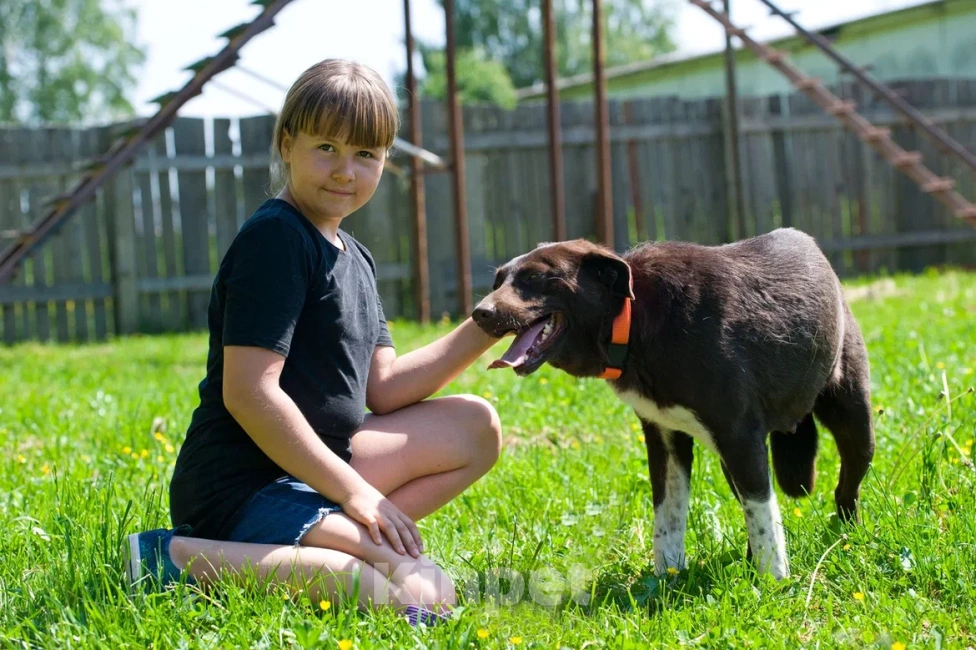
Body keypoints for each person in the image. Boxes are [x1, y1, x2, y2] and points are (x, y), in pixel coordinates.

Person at [124, 59, 502, 626]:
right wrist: (358, 493)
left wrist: (490, 322)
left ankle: (353, 540)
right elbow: (250, 394)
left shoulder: (356, 257)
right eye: (327, 146)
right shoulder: (276, 239)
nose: (345, 170)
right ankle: (172, 557)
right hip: (244, 481)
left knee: (476, 426)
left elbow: (386, 387)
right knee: (401, 594)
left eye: (366, 155)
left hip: (318, 470)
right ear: (287, 143)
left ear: (385, 161)